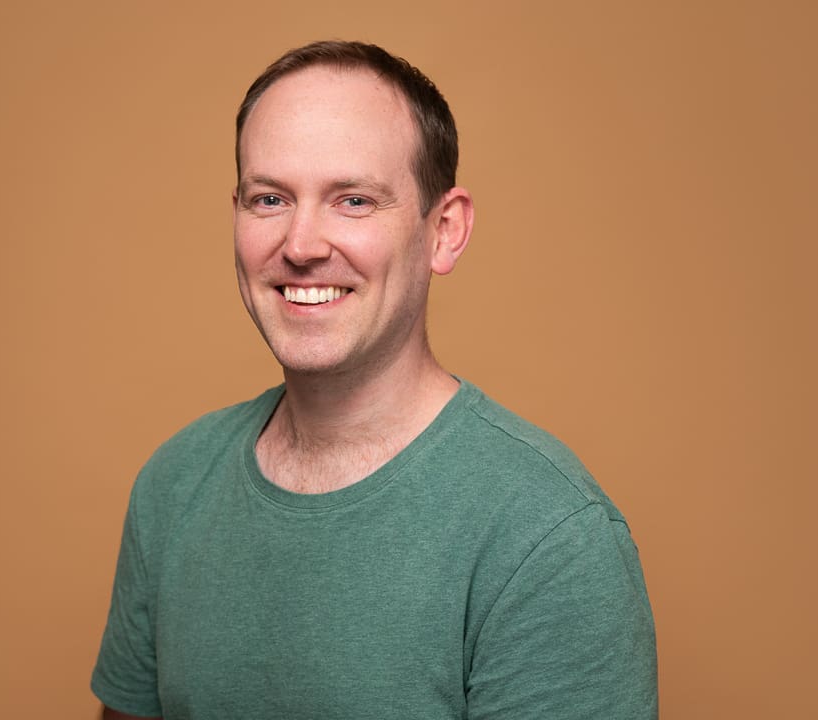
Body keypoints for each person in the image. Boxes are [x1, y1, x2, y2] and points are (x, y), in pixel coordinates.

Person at [92, 40, 657, 719]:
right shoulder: (173, 486)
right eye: (268, 198)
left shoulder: (550, 539)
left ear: (444, 231)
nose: (300, 246)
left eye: (353, 200)